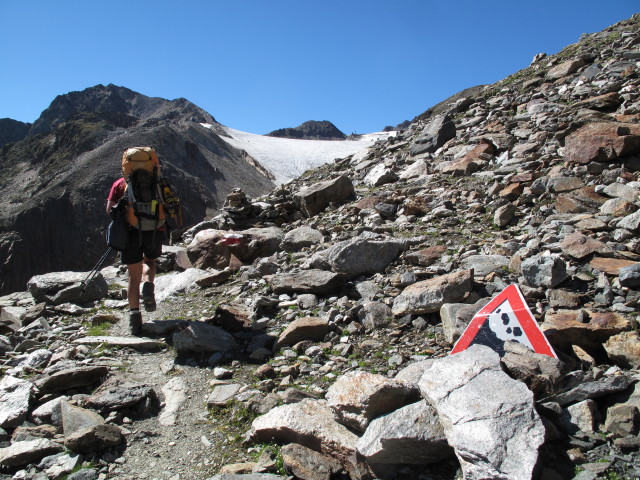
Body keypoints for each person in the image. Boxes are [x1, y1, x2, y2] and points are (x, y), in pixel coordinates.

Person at [106, 176, 162, 336]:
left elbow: (109, 210)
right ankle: (149, 283)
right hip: (153, 230)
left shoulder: (119, 184)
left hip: (129, 234)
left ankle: (135, 320)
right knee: (150, 261)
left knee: (133, 276)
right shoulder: (156, 180)